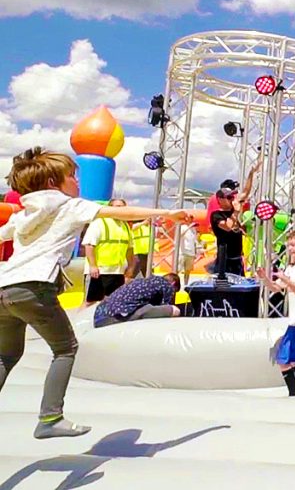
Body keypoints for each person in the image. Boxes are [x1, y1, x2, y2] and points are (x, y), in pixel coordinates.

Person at [0, 147, 190, 438]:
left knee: (6, 355)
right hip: (34, 288)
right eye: (72, 176)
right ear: (54, 183)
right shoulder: (69, 204)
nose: (78, 182)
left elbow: (4, 234)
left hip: (4, 289)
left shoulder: (27, 211)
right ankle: (50, 417)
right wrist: (166, 213)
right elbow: (120, 212)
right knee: (65, 348)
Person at [256, 230, 295, 396]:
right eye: (289, 245)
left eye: (293, 245)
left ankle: (294, 392)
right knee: (294, 358)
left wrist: (287, 279)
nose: (290, 249)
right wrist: (264, 279)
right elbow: (276, 287)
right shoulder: (292, 266)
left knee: (283, 359)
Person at [210, 160, 260, 280]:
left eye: (232, 196)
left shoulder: (233, 206)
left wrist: (251, 174)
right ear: (220, 199)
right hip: (225, 259)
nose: (233, 199)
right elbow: (228, 227)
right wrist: (236, 212)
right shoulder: (216, 215)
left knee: (239, 283)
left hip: (237, 258)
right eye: (229, 197)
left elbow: (246, 192)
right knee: (224, 286)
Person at [81, 198, 136, 305]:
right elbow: (89, 245)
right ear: (109, 208)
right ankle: (78, 320)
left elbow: (129, 249)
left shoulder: (125, 226)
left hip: (117, 272)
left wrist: (130, 267)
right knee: (90, 302)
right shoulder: (99, 223)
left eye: (123, 207)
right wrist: (93, 266)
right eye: (117, 207)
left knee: (113, 301)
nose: (121, 209)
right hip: (99, 272)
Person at [93, 273, 181, 328]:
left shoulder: (146, 281)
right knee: (174, 310)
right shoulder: (167, 286)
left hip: (101, 315)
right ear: (173, 283)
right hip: (118, 316)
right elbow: (166, 305)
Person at [177, 220, 202, 286]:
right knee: (178, 270)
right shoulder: (183, 227)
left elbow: (194, 241)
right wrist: (188, 227)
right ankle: (176, 284)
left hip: (191, 253)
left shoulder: (193, 230)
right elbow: (179, 236)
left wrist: (197, 250)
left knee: (188, 271)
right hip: (182, 252)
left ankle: (186, 284)